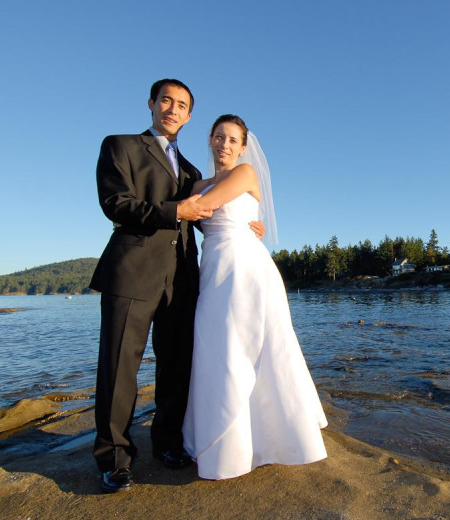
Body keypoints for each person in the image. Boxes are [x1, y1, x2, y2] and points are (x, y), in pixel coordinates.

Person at [90, 80, 264, 493]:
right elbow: (116, 204)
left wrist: (247, 225)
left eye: (182, 105)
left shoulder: (190, 172)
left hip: (182, 281)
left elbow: (204, 217)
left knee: (177, 367)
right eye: (166, 100)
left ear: (188, 117)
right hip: (133, 272)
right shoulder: (120, 146)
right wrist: (178, 209)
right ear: (151, 104)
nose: (173, 109)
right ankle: (114, 458)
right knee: (119, 369)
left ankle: (168, 444)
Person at [182, 114, 327, 480]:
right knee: (218, 346)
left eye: (233, 139)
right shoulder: (198, 181)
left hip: (246, 267)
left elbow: (200, 209)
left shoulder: (244, 174)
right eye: (219, 137)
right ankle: (229, 437)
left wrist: (180, 205)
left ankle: (276, 436)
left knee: (255, 345)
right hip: (214, 267)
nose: (225, 145)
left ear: (243, 147)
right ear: (210, 139)